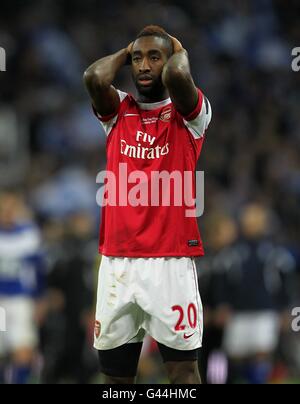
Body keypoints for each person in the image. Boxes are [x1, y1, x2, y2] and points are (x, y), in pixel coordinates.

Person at [84, 25, 212, 384]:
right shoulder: (117, 111)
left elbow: (177, 74)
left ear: (170, 59)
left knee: (184, 372)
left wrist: (176, 50)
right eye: (136, 59)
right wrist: (128, 52)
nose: (143, 66)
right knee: (114, 377)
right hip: (117, 264)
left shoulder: (192, 116)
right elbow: (94, 77)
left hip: (169, 262)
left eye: (153, 57)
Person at [0, 190, 46, 384]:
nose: (7, 212)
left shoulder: (29, 234)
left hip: (20, 300)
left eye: (11, 207)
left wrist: (40, 298)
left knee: (23, 349)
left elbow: (38, 270)